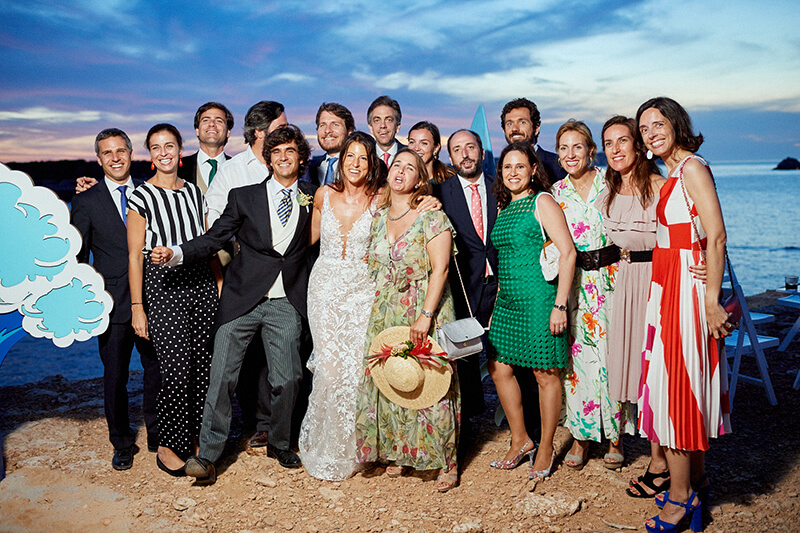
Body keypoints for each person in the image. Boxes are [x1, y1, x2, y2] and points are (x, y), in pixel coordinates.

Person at [152, 125, 316, 484]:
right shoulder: (244, 196)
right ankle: (208, 456)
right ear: (268, 158)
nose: (283, 157)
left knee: (288, 378)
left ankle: (280, 442)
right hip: (242, 299)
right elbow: (213, 239)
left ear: (301, 157)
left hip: (286, 302)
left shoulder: (313, 196)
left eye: (290, 151)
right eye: (276, 152)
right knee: (222, 377)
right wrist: (177, 253)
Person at [636, 97, 731, 533]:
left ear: (676, 124)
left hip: (686, 294)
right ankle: (697, 479)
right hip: (668, 287)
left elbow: (717, 235)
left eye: (657, 124)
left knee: (674, 390)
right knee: (677, 382)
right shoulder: (672, 172)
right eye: (644, 128)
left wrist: (712, 299)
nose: (651, 132)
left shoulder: (692, 167)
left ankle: (680, 499)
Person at [354, 149, 460, 492]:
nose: (401, 171)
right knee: (395, 380)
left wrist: (426, 317)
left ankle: (446, 462)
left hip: (422, 307)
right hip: (386, 311)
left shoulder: (432, 217)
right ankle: (401, 453)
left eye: (410, 167)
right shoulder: (378, 216)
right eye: (397, 164)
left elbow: (441, 269)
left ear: (420, 179)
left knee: (433, 384)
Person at [126, 123, 220, 477]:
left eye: (169, 145)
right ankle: (167, 444)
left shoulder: (195, 193)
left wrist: (219, 288)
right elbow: (135, 257)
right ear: (149, 155)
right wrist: (138, 308)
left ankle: (195, 441)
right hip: (163, 288)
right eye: (156, 147)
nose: (163, 152)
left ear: (181, 150)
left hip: (199, 282)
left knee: (202, 369)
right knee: (175, 370)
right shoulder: (141, 196)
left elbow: (207, 246)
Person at [70, 128, 160, 471]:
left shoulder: (151, 192)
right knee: (115, 376)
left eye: (121, 150)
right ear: (98, 159)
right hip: (110, 302)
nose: (116, 158)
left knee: (157, 371)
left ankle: (157, 434)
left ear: (131, 152)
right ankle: (121, 442)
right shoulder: (86, 200)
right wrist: (82, 300)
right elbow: (78, 257)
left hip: (155, 296)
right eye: (107, 153)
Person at [487, 142, 575, 482]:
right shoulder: (506, 207)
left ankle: (546, 445)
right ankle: (521, 438)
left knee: (545, 374)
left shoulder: (543, 201)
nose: (512, 172)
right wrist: (496, 308)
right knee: (498, 366)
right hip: (508, 303)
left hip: (540, 300)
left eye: (519, 166)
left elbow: (567, 253)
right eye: (507, 167)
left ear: (533, 170)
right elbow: (503, 262)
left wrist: (560, 304)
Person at [551, 120, 633, 470]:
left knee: (615, 356)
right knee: (577, 361)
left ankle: (615, 436)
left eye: (577, 147)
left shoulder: (611, 181)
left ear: (590, 151)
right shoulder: (555, 193)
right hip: (576, 285)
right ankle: (582, 437)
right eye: (563, 148)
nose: (571, 155)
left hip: (614, 280)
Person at [597, 115, 673, 487]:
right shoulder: (609, 191)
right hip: (623, 282)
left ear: (638, 145)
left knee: (655, 370)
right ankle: (658, 455)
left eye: (622, 141)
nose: (615, 149)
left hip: (655, 281)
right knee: (635, 371)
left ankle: (661, 462)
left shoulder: (661, 186)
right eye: (608, 143)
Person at [435, 129, 495, 427]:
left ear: (482, 153)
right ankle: (471, 417)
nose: (465, 154)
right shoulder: (439, 193)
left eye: (471, 147)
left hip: (500, 283)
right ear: (450, 157)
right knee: (465, 352)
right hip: (462, 283)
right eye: (458, 149)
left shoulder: (501, 189)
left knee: (503, 353)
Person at [205, 100, 288, 226]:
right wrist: (235, 241)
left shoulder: (290, 164)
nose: (286, 134)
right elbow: (212, 213)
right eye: (280, 129)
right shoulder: (231, 169)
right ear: (259, 132)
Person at [500, 98, 566, 186]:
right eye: (509, 123)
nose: (515, 128)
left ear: (536, 128)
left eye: (522, 122)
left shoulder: (557, 166)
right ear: (504, 130)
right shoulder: (500, 169)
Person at [178, 102, 234, 194]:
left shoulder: (237, 168)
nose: (212, 124)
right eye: (206, 120)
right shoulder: (178, 169)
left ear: (228, 132)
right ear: (197, 130)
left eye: (219, 121)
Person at [303, 102, 356, 186]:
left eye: (335, 125)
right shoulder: (309, 168)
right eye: (322, 125)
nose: (327, 130)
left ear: (349, 131)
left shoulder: (358, 166)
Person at [367, 95, 405, 167]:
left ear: (398, 126)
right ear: (371, 127)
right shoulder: (365, 156)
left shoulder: (411, 155)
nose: (383, 125)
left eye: (388, 120)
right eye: (377, 120)